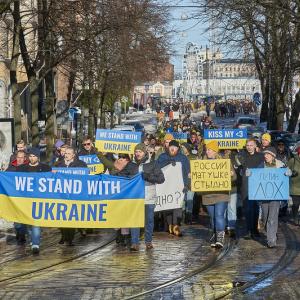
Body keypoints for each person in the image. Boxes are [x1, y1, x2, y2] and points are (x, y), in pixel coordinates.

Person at [253, 147, 290, 248]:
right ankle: (270, 232)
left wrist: (288, 173)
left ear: (273, 155)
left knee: (272, 218)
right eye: (265, 154)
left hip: (276, 196)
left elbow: (287, 175)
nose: (265, 156)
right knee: (265, 218)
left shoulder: (280, 165)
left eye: (268, 154)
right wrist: (249, 174)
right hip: (264, 196)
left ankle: (271, 240)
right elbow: (255, 177)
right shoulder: (261, 166)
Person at [130, 143, 165, 251]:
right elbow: (124, 176)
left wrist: (148, 176)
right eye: (136, 152)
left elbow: (161, 179)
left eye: (139, 152)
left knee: (149, 220)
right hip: (135, 197)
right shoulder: (131, 165)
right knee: (135, 220)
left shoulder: (153, 164)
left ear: (144, 152)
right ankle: (134, 243)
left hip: (149, 197)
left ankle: (148, 241)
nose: (137, 154)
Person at [17, 147, 52, 254]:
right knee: (21, 224)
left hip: (38, 200)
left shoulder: (45, 168)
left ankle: (35, 244)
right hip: (24, 200)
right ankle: (30, 236)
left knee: (35, 222)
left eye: (34, 156)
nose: (32, 158)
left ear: (38, 157)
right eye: (30, 156)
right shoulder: (22, 168)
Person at [202, 141, 236, 248]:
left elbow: (234, 177)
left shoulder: (224, 162)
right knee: (213, 217)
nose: (207, 152)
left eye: (210, 150)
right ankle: (215, 234)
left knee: (219, 215)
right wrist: (191, 175)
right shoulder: (201, 163)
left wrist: (231, 174)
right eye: (207, 149)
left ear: (215, 151)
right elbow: (197, 177)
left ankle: (220, 238)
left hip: (221, 194)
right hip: (208, 194)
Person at [55, 146, 87, 246]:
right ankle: (64, 235)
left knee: (71, 217)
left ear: (73, 155)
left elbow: (84, 178)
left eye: (69, 153)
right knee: (62, 217)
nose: (66, 155)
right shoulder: (59, 165)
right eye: (65, 153)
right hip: (62, 194)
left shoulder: (80, 165)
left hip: (74, 195)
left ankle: (70, 239)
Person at [157, 139, 190, 236]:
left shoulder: (183, 158)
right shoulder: (163, 156)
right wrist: (168, 162)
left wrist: (187, 184)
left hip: (180, 186)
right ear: (168, 147)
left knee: (177, 206)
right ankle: (170, 224)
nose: (172, 149)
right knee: (168, 206)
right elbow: (157, 167)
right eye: (171, 147)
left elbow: (188, 172)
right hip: (166, 185)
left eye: (174, 147)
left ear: (178, 148)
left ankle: (176, 224)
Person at [236, 138, 264, 239]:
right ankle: (248, 229)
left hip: (257, 185)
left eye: (251, 145)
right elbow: (238, 169)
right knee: (247, 209)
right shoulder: (242, 156)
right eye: (247, 145)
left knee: (255, 208)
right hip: (245, 185)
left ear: (255, 146)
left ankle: (255, 230)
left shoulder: (261, 157)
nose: (249, 147)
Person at [6, 150, 29, 244]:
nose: (19, 159)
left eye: (21, 157)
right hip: (13, 197)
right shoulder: (11, 167)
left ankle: (22, 235)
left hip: (25, 197)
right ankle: (19, 232)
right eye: (18, 157)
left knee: (22, 217)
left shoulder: (28, 168)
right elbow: (5, 178)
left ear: (24, 158)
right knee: (16, 218)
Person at [287, 146, 300, 224]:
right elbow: (286, 171)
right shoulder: (293, 161)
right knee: (295, 204)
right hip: (295, 187)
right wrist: (291, 173)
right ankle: (295, 218)